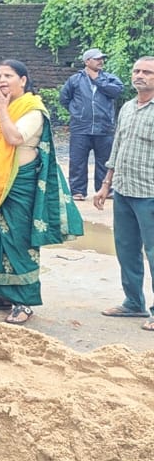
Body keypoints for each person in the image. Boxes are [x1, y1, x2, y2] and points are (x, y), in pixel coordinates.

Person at [0, 60, 83, 325]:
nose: (2, 80)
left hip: (20, 183)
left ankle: (23, 302)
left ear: (22, 80)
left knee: (17, 240)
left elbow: (13, 138)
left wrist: (2, 109)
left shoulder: (33, 109)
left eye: (8, 75)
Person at [95, 56, 154, 329]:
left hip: (150, 193)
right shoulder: (128, 107)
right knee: (127, 249)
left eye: (147, 72)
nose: (139, 75)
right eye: (136, 71)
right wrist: (106, 184)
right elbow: (117, 147)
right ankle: (133, 303)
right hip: (124, 190)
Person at [60, 48, 123, 201]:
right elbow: (64, 98)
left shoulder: (109, 78)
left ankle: (104, 189)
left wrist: (98, 80)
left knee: (105, 161)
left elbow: (117, 91)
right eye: (96, 59)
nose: (100, 61)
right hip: (81, 127)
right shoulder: (75, 80)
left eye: (102, 58)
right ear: (87, 61)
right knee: (78, 160)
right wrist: (77, 112)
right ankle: (78, 191)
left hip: (104, 127)